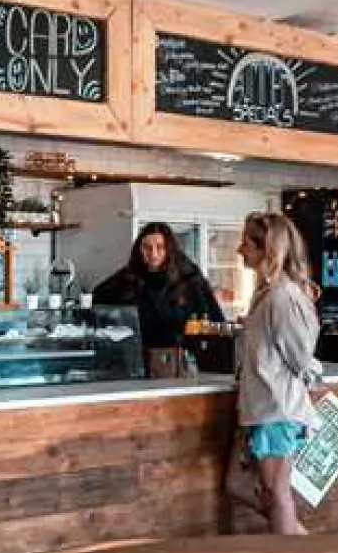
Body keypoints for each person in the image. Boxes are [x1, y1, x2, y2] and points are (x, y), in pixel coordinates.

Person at [229, 211, 323, 535]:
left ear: (266, 248)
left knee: (277, 494)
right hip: (265, 408)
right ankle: (300, 549)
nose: (240, 250)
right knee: (262, 491)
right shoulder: (269, 293)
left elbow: (300, 357)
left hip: (276, 409)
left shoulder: (282, 296)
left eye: (246, 243)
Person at [93, 222, 226, 378]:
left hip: (182, 366)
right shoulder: (127, 277)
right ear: (139, 250)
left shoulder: (189, 279)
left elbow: (216, 323)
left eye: (160, 247)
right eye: (147, 248)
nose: (153, 254)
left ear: (169, 249)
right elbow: (97, 300)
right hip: (136, 365)